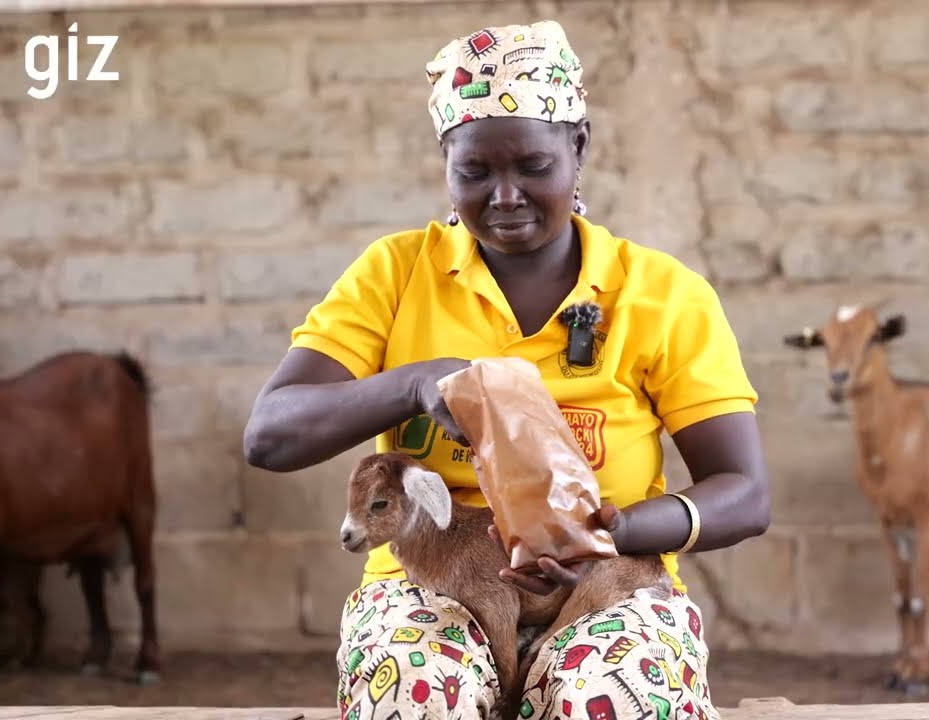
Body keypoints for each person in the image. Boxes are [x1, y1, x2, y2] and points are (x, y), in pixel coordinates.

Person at [243, 19, 770, 720]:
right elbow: (269, 435)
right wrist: (412, 383)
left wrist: (615, 533)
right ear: (445, 161)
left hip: (610, 582)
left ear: (578, 148)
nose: (505, 195)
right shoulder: (396, 275)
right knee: (415, 688)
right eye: (475, 172)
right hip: (431, 592)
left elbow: (745, 492)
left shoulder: (662, 295)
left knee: (607, 695)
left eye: (533, 166)